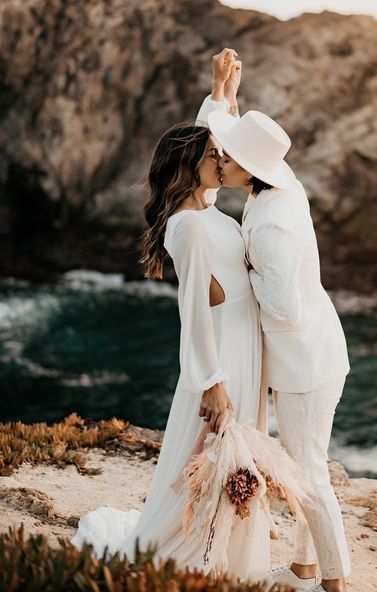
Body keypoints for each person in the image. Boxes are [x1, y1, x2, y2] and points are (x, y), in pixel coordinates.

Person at [71, 49, 271, 583]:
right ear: (192, 166)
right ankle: (192, 559)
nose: (223, 158)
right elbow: (193, 311)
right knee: (211, 465)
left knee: (232, 463)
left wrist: (222, 90)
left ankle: (221, 556)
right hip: (223, 354)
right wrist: (211, 380)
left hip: (241, 347)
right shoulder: (190, 226)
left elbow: (210, 131)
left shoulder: (201, 205)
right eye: (213, 154)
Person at [205, 100, 352, 592]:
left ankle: (335, 584)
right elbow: (243, 144)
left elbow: (283, 306)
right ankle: (304, 569)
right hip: (321, 346)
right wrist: (223, 94)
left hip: (304, 362)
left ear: (250, 168)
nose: (219, 157)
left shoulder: (269, 225)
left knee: (308, 473)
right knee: (307, 462)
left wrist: (242, 269)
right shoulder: (279, 187)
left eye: (227, 154)